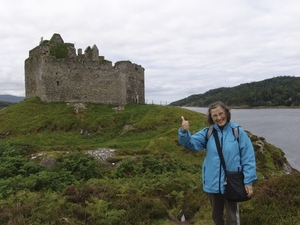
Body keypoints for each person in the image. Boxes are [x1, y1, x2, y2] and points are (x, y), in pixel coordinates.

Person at [178, 101, 257, 225]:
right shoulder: (208, 133)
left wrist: (248, 181)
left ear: (226, 112)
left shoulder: (237, 132)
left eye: (221, 113)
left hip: (232, 182)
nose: (219, 118)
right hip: (212, 182)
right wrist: (184, 132)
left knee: (232, 218)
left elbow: (248, 157)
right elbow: (190, 144)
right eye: (215, 116)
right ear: (211, 117)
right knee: (216, 217)